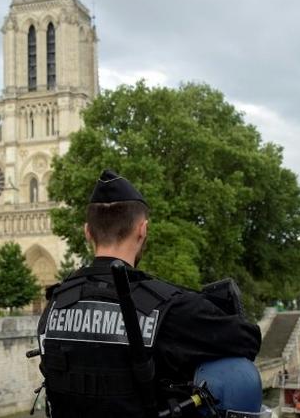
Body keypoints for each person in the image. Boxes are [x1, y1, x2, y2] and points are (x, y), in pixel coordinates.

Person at [37, 170, 262, 418]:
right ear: (142, 229)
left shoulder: (57, 301)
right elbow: (248, 340)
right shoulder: (169, 307)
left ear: (87, 231)